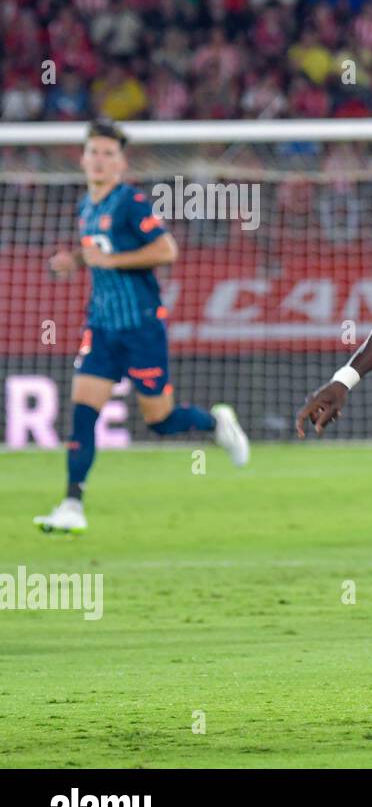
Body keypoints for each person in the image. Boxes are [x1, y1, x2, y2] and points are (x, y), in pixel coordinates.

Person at [33, 119, 250, 535]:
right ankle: (72, 504)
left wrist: (108, 262)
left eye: (108, 154)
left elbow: (168, 249)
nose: (99, 160)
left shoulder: (130, 202)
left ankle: (215, 423)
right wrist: (75, 261)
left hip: (142, 327)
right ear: (82, 158)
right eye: (93, 152)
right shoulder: (86, 207)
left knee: (160, 420)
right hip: (101, 328)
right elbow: (96, 252)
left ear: (120, 162)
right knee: (82, 415)